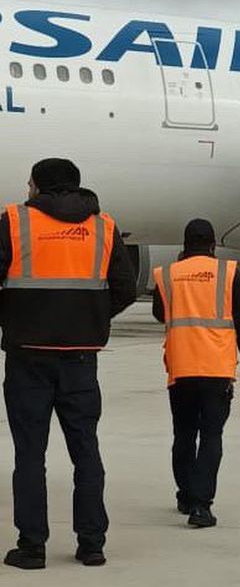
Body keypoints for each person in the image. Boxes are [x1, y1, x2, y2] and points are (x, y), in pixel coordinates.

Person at [1, 158, 137, 569]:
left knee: (29, 454)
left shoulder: (13, 222)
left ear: (39, 187)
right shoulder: (104, 227)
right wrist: (89, 319)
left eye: (29, 184)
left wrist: (15, 319)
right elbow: (125, 289)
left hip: (28, 358)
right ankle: (92, 544)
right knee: (86, 451)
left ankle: (32, 546)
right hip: (80, 359)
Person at [152, 219, 240, 528]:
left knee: (183, 434)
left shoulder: (168, 275)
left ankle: (185, 494)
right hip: (216, 369)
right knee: (211, 435)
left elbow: (160, 313)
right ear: (213, 245)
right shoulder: (228, 274)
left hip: (181, 368)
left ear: (184, 246)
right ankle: (202, 505)